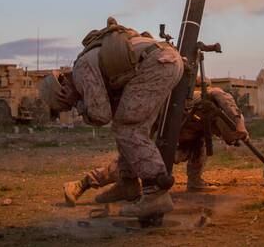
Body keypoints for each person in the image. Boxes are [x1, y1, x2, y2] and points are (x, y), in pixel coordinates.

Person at [49, 18, 183, 219]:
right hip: (165, 60)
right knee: (130, 124)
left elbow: (101, 115)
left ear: (62, 91)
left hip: (155, 64)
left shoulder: (81, 70)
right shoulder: (91, 60)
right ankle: (128, 183)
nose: (71, 105)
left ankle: (155, 194)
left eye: (66, 103)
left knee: (127, 128)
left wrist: (78, 103)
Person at [63, 87, 248, 206]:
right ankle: (83, 183)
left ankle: (195, 181)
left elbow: (233, 119)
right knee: (136, 161)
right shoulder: (195, 102)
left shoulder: (216, 113)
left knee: (200, 143)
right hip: (164, 139)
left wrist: (239, 130)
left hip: (183, 143)